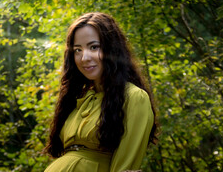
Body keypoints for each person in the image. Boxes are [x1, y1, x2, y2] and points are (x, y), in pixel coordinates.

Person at [44, 12, 157, 172]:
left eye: (94, 47)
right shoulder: (80, 99)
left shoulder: (134, 97)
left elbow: (125, 166)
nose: (84, 58)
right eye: (77, 50)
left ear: (112, 49)